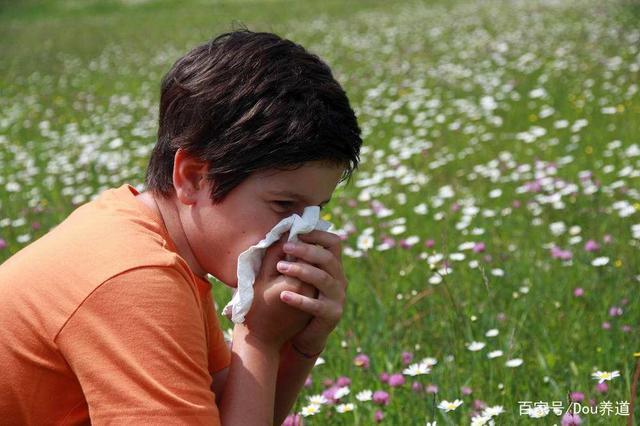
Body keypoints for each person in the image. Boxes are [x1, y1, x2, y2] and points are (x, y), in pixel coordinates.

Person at [0, 29, 362, 424]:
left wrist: (297, 346)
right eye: (283, 205)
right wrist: (258, 338)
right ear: (191, 178)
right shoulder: (136, 278)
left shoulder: (160, 242)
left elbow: (226, 413)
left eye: (315, 210)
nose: (298, 231)